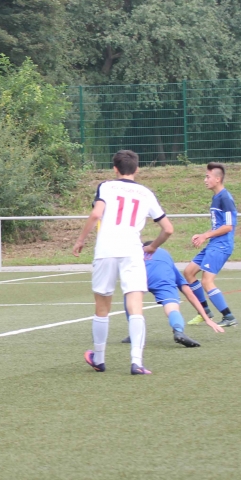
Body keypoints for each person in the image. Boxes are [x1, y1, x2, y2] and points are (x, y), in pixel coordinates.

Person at [72, 150, 174, 375]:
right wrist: (153, 246)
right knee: (135, 305)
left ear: (115, 169)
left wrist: (80, 240)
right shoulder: (146, 193)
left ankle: (99, 358)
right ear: (137, 169)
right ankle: (137, 362)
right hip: (132, 250)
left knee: (102, 305)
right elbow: (168, 229)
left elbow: (96, 215)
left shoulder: (106, 186)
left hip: (106, 249)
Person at [122, 244, 225, 347]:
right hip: (162, 277)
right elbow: (189, 292)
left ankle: (135, 332)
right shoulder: (165, 256)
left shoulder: (137, 252)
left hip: (139, 273)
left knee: (130, 298)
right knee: (172, 309)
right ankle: (178, 331)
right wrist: (206, 318)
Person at [185, 162, 239, 328]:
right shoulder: (216, 197)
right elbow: (218, 226)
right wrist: (203, 235)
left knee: (207, 281)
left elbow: (228, 226)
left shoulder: (225, 198)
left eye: (207, 177)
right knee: (188, 272)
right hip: (214, 243)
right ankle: (205, 311)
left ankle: (228, 316)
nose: (205, 180)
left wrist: (205, 236)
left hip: (222, 245)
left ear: (217, 179)